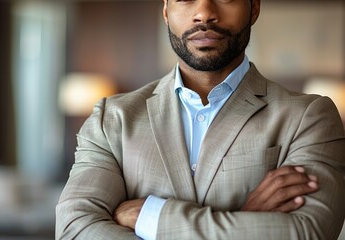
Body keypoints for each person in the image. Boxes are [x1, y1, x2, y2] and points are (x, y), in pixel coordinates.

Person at [56, 0, 345, 239]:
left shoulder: (310, 117)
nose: (205, 12)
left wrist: (151, 217)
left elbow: (308, 232)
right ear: (166, 11)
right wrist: (243, 219)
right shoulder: (112, 119)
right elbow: (74, 229)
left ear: (253, 8)